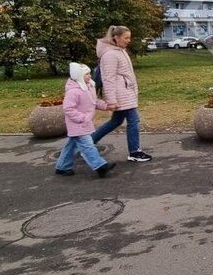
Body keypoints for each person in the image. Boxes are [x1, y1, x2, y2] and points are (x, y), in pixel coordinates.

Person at [91, 25, 152, 162]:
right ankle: (134, 152)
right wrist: (111, 100)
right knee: (134, 120)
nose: (128, 40)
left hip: (125, 92)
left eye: (129, 37)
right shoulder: (110, 54)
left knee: (116, 121)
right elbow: (108, 78)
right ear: (116, 38)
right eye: (126, 38)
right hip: (120, 94)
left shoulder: (119, 51)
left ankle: (88, 143)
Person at [55, 62, 115, 178]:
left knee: (72, 145)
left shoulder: (89, 87)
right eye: (86, 74)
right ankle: (100, 166)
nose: (90, 76)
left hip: (84, 123)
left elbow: (94, 102)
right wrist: (82, 118)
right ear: (78, 76)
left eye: (89, 73)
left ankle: (62, 166)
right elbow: (68, 108)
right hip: (78, 124)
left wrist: (106, 106)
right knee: (87, 145)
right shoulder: (73, 92)